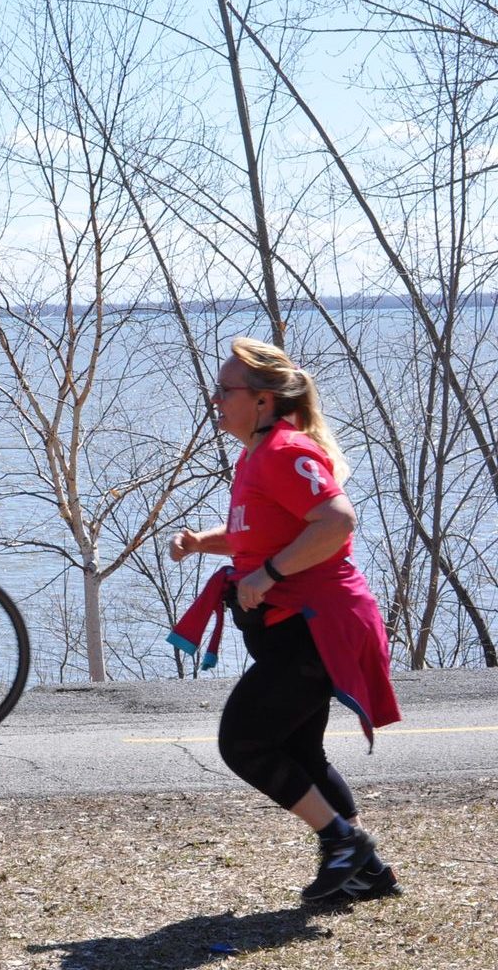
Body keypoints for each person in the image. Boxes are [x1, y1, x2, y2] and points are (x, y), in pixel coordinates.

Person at [167, 336, 402, 903]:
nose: (215, 399)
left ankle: (344, 844)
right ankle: (366, 871)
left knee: (244, 741)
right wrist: (205, 544)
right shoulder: (255, 456)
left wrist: (268, 575)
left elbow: (336, 521)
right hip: (293, 629)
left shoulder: (283, 451)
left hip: (319, 625)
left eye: (226, 391)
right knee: (299, 752)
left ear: (264, 401)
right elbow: (263, 534)